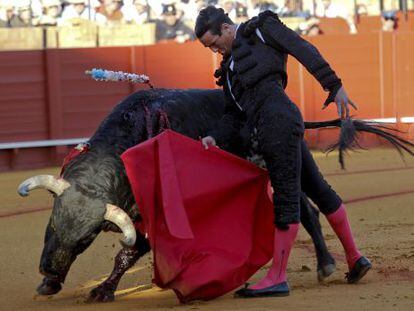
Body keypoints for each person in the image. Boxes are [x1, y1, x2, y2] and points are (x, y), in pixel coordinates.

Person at [195, 6, 371, 298]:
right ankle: (355, 257)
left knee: (287, 197)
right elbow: (233, 116)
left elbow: (301, 48)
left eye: (213, 42)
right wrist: (215, 136)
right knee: (317, 188)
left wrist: (334, 85)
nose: (214, 50)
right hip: (276, 125)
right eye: (208, 47)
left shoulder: (261, 29)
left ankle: (277, 277)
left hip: (277, 123)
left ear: (226, 28)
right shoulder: (227, 72)